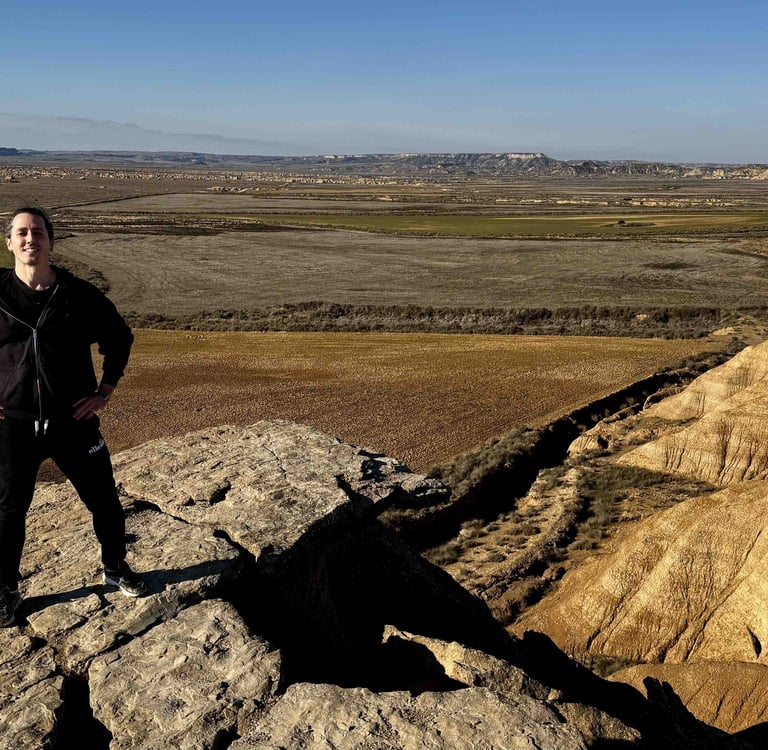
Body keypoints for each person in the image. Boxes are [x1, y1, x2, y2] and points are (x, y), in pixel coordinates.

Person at [0, 207, 146, 627]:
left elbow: (119, 338)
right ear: (9, 242)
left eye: (38, 232)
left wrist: (105, 391)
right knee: (8, 512)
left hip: (73, 423)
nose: (30, 239)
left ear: (51, 242)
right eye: (22, 233)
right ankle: (6, 590)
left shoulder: (78, 295)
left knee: (105, 501)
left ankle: (115, 566)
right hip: (12, 425)